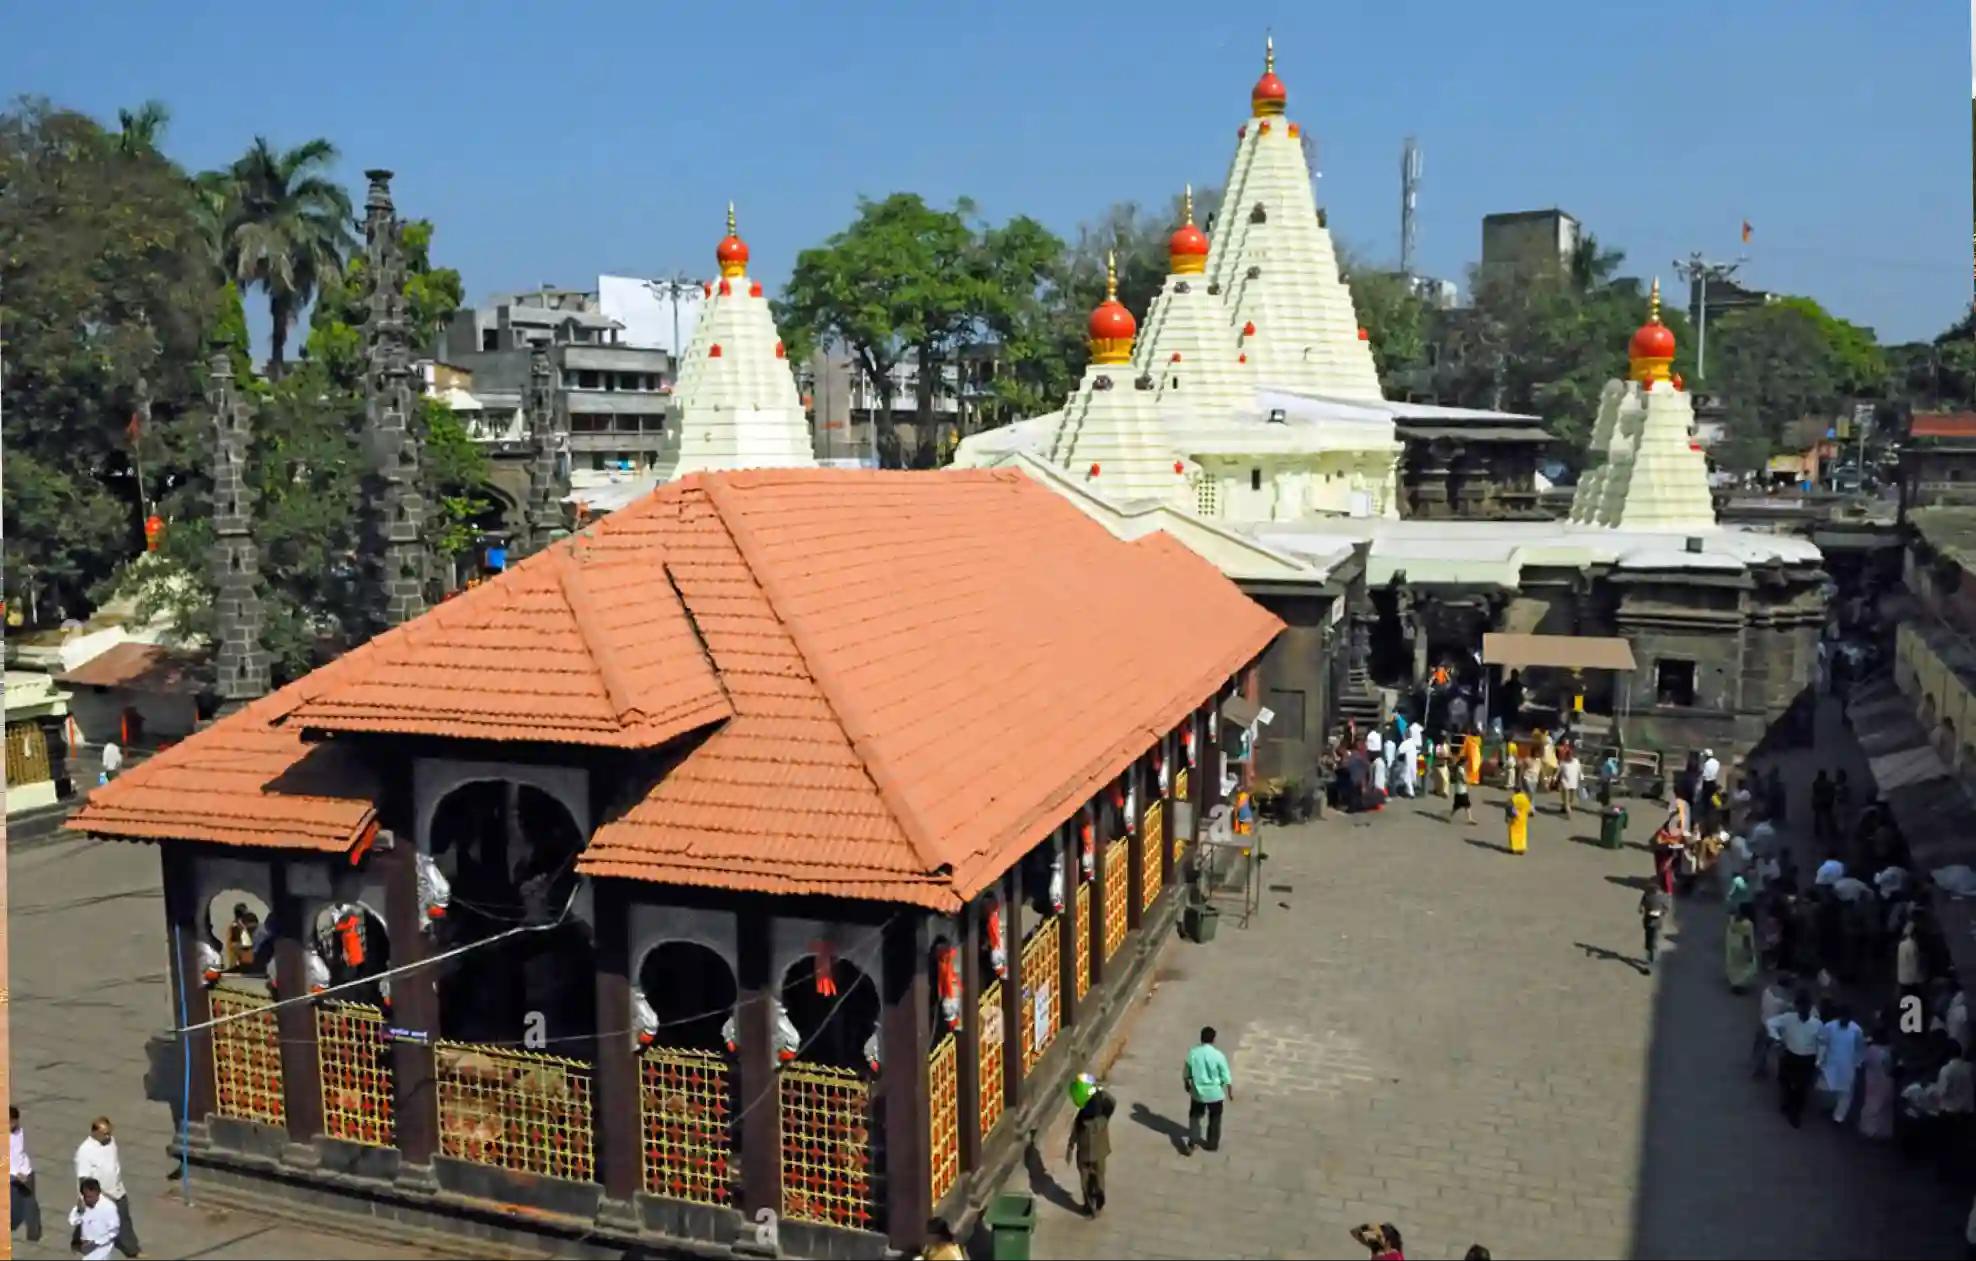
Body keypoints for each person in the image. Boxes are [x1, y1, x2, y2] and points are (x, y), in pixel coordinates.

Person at [72, 1117, 135, 1258]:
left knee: (124, 1218)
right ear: (94, 1132)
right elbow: (84, 1178)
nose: (108, 1136)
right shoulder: (85, 1151)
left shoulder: (110, 1141)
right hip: (100, 1194)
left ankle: (132, 1250)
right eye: (105, 1134)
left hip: (117, 1190)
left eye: (109, 1133)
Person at [1768, 992, 1823, 1128]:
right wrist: (1777, 1039)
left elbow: (1821, 1044)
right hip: (1790, 1055)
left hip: (1807, 1059)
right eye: (1801, 1007)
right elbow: (1770, 1023)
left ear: (1810, 1008)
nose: (1803, 1011)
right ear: (1797, 1007)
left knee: (1802, 1087)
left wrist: (1819, 1062)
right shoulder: (1788, 1018)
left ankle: (1795, 1113)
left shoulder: (1817, 1024)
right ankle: (1786, 1103)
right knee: (1784, 1080)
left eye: (1806, 1008)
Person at [1182, 1025, 1233, 1154]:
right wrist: (1230, 1092)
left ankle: (1193, 1142)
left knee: (1195, 1117)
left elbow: (1187, 1071)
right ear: (1213, 1039)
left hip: (1198, 1093)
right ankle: (1212, 1144)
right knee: (1215, 1118)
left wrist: (1186, 1083)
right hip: (1215, 1093)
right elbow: (1226, 1075)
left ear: (1201, 1038)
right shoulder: (1218, 1055)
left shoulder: (1193, 1053)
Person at [1065, 1088, 1113, 1216]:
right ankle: (1096, 1202)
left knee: (1087, 1180)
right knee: (1097, 1178)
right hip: (1097, 1154)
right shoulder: (1103, 1120)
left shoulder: (1081, 1120)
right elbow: (1112, 1102)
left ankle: (1091, 1204)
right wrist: (1100, 1092)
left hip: (1085, 1155)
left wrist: (1070, 1148)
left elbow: (1074, 1135)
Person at [1818, 1003, 1866, 1124]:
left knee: (1845, 1094)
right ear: (1839, 1017)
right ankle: (1829, 1107)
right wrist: (1820, 1060)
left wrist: (1857, 1064)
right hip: (1830, 1064)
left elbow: (1860, 1049)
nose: (1845, 1020)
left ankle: (1838, 1117)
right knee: (1828, 1089)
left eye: (1847, 1018)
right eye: (1843, 1017)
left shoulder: (1856, 1030)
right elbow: (1823, 1044)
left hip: (1848, 1066)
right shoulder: (1829, 1026)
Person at [1753, 973, 1797, 1077]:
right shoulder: (1784, 1002)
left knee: (1761, 1047)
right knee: (1780, 1051)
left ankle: (1758, 1067)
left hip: (1763, 1022)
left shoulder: (1767, 991)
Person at [1858, 1020, 1896, 1140]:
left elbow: (1863, 1062)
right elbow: (1889, 1068)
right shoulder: (1889, 1051)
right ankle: (1882, 1131)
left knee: (1871, 1104)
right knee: (1884, 1106)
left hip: (1872, 1079)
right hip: (1886, 1081)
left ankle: (1868, 1129)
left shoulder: (1871, 1049)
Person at [68, 1178, 119, 1261]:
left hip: (102, 1250)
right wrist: (79, 1211)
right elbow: (72, 1221)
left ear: (98, 1193)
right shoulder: (83, 1203)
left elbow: (114, 1232)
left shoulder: (109, 1208)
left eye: (90, 1197)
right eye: (85, 1196)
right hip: (85, 1246)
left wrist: (95, 1243)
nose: (88, 1200)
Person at [9, 1107, 38, 1244]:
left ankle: (33, 1233)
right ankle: (12, 1224)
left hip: (25, 1172)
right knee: (14, 1203)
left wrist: (22, 1171)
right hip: (13, 1175)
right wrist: (16, 1173)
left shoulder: (19, 1131)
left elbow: (18, 1154)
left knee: (30, 1204)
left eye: (14, 1121)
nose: (14, 1124)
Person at [1725, 905, 1759, 992]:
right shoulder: (1747, 924)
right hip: (1742, 948)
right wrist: (1749, 952)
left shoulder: (1734, 921)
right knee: (1745, 967)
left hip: (1733, 946)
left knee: (1734, 966)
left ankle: (1735, 982)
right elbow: (1746, 939)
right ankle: (1740, 985)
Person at [1899, 920, 1929, 1007]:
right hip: (1912, 980)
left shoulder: (1902, 945)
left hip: (1903, 980)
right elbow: (1915, 964)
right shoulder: (1913, 945)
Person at [1640, 884, 1669, 971]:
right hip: (1656, 922)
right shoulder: (1663, 898)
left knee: (1650, 942)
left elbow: (1641, 906)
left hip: (1649, 922)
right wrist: (1660, 913)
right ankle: (1652, 957)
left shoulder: (1647, 896)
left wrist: (1647, 911)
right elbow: (1666, 910)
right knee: (1653, 940)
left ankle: (1650, 960)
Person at [1811, 770, 1837, 844]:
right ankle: (1831, 832)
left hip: (1821, 804)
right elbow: (1832, 792)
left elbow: (1815, 792)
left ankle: (1819, 832)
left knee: (1819, 818)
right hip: (1826, 803)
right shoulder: (1829, 784)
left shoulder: (1816, 783)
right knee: (1828, 818)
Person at [1506, 785, 1532, 855]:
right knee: (1522, 834)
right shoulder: (1525, 798)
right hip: (1523, 819)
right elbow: (1528, 808)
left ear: (1515, 791)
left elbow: (1509, 808)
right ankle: (1522, 848)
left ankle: (1514, 848)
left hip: (1515, 819)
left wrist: (1510, 816)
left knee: (1514, 834)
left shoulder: (1513, 798)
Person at [1557, 747, 1582, 819]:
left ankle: (1564, 806)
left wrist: (1581, 775)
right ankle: (1568, 812)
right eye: (1568, 755)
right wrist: (1555, 777)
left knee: (1571, 799)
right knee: (1566, 798)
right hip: (1565, 782)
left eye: (1571, 755)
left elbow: (1579, 769)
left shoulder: (1576, 761)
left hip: (1573, 782)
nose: (1570, 757)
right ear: (1566, 756)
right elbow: (1558, 771)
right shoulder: (1563, 763)